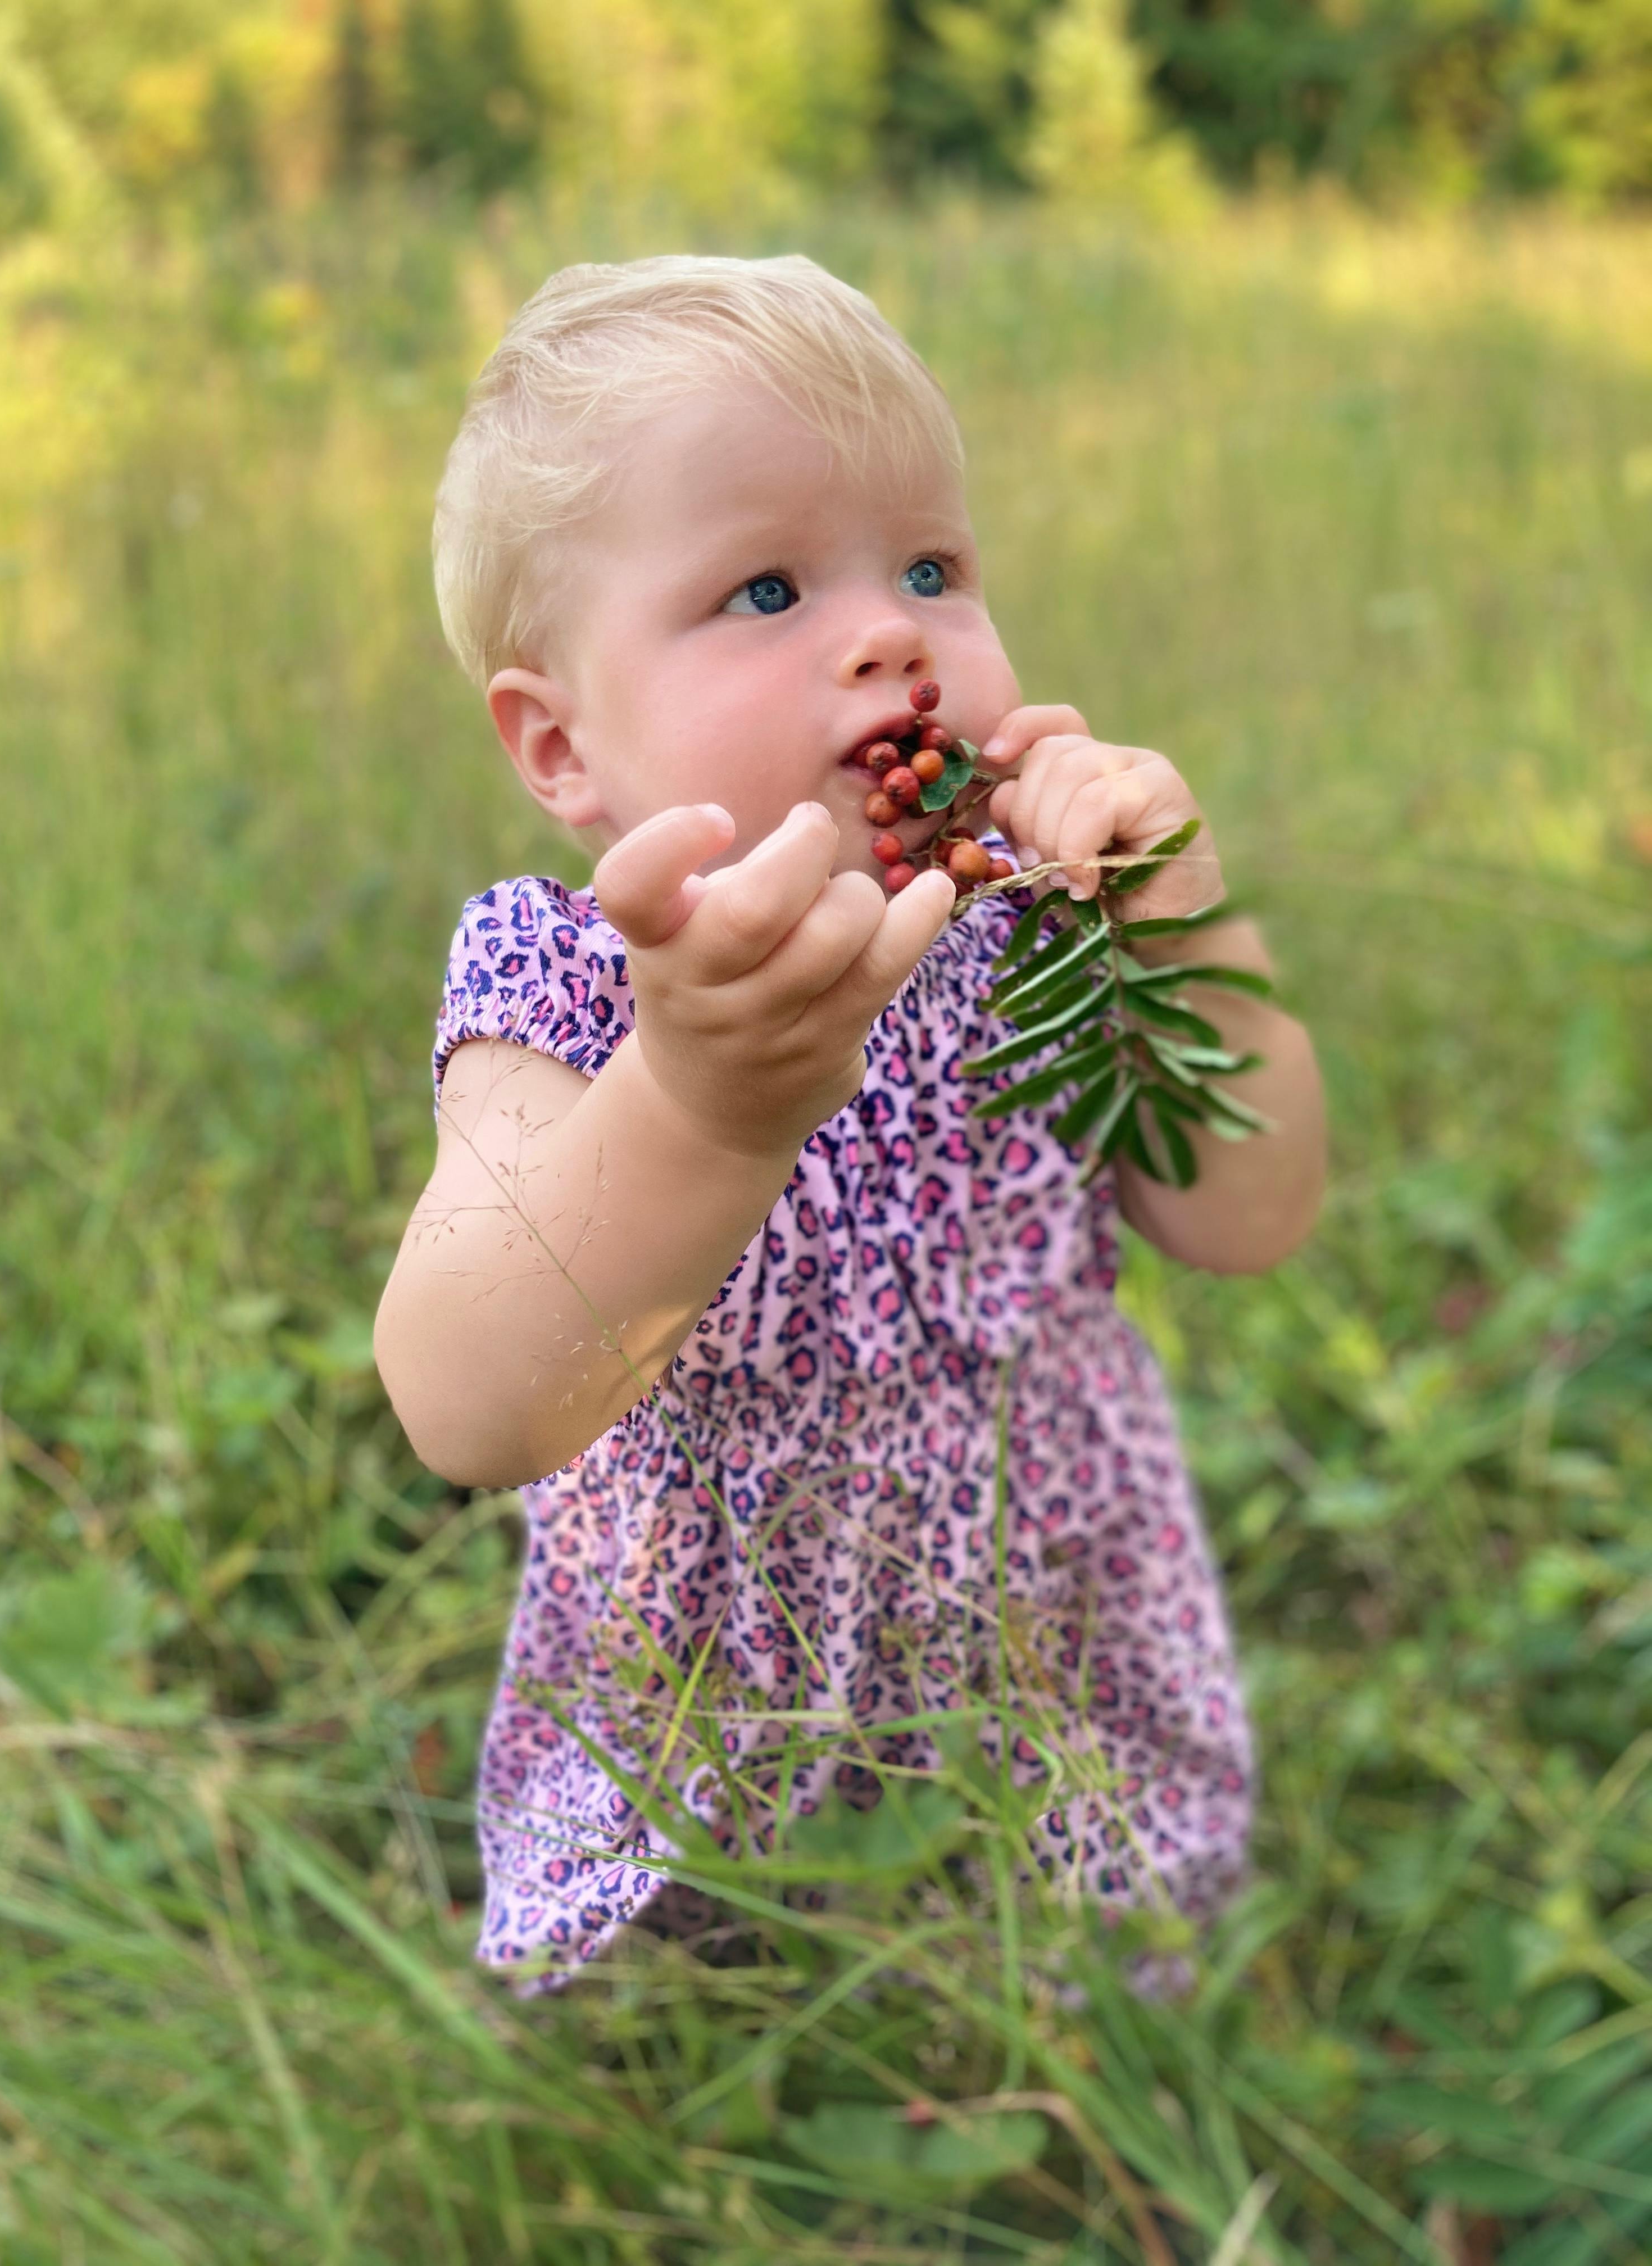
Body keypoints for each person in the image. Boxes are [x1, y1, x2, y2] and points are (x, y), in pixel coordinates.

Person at [374, 254, 1326, 1995]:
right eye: (762, 587)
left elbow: (1249, 1214)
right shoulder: (567, 982)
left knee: (1076, 2012)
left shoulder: (1044, 918)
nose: (891, 633)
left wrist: (1180, 919)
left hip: (1050, 1646)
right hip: (703, 1712)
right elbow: (467, 1400)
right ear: (561, 747)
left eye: (933, 569)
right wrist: (702, 1103)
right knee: (694, 2041)